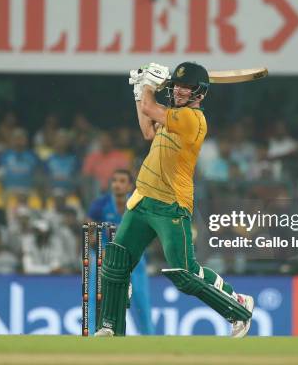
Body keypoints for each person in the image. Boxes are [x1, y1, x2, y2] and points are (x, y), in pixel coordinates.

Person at [95, 62, 254, 337]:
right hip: (143, 198)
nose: (179, 91)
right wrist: (138, 91)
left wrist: (147, 86)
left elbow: (150, 108)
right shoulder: (172, 114)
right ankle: (109, 328)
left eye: (186, 88)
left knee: (186, 273)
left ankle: (238, 305)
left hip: (171, 205)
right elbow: (147, 130)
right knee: (115, 262)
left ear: (200, 94)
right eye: (177, 86)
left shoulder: (193, 119)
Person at [88, 169, 154, 335]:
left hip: (134, 258)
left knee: (141, 302)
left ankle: (150, 338)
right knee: (97, 299)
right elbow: (89, 234)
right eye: (114, 181)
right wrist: (98, 246)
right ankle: (90, 334)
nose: (117, 185)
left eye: (122, 181)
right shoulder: (100, 205)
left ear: (130, 185)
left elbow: (149, 230)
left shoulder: (139, 204)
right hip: (105, 259)